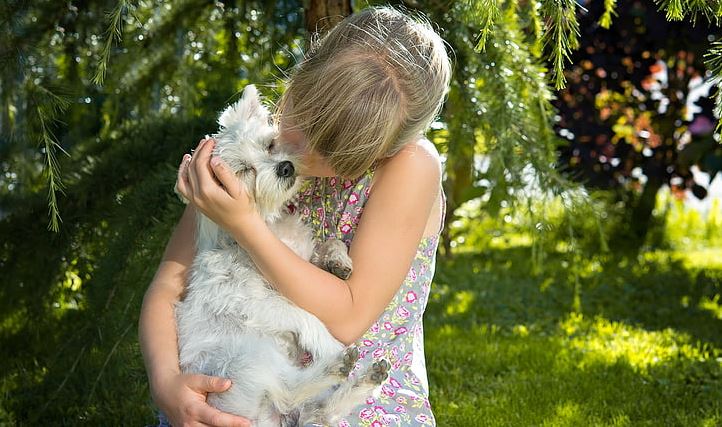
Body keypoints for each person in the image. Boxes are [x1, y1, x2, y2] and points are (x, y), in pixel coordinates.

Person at [139, 5, 451, 426]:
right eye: (301, 123)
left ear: (385, 150)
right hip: (239, 393)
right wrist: (166, 382)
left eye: (334, 154)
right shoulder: (253, 148)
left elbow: (348, 316)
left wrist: (245, 225)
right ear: (303, 76)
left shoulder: (410, 167)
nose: (299, 157)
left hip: (356, 403)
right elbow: (169, 284)